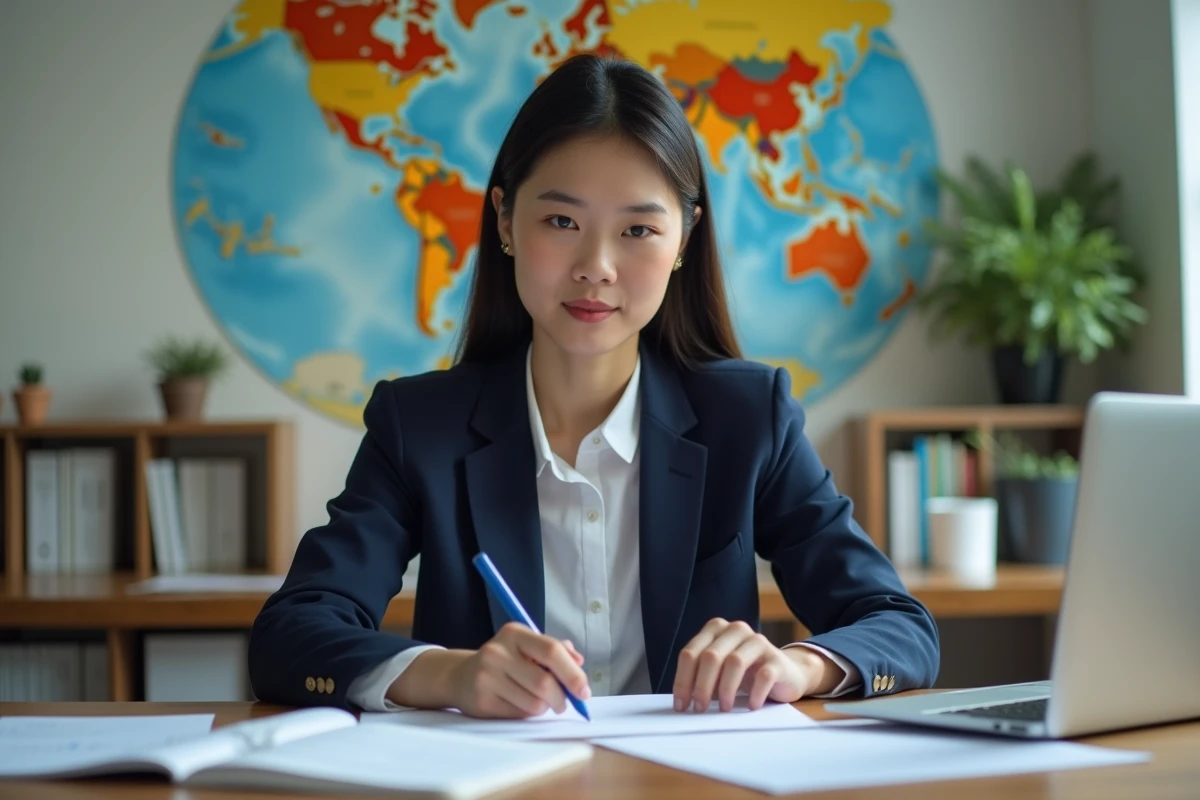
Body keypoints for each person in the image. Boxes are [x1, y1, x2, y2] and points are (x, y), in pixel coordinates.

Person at [248, 54, 939, 719]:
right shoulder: (419, 425)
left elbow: (899, 627)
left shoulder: (748, 418)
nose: (597, 267)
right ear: (505, 222)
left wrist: (798, 666)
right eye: (561, 222)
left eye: (639, 229)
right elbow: (291, 634)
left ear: (685, 241)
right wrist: (450, 673)